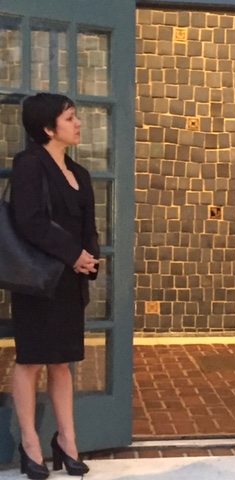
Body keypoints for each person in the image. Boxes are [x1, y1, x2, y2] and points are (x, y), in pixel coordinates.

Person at [10, 93, 99, 479]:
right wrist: (73, 254)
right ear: (48, 128)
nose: (78, 123)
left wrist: (89, 259)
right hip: (36, 281)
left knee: (61, 362)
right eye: (70, 118)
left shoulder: (80, 173)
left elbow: (88, 226)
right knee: (30, 361)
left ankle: (67, 441)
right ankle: (30, 444)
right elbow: (28, 220)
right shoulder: (29, 164)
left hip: (69, 282)